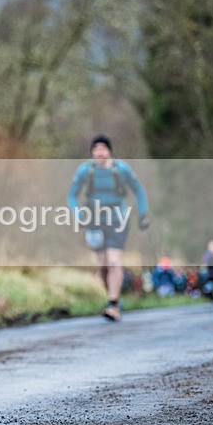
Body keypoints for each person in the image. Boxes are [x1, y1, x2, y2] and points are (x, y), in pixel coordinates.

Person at [68, 135, 148, 321]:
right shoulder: (85, 171)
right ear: (92, 152)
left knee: (114, 260)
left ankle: (113, 304)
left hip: (118, 217)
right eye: (96, 149)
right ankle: (114, 299)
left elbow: (139, 190)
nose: (99, 152)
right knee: (103, 266)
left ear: (109, 151)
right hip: (95, 219)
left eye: (103, 148)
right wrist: (79, 214)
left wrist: (143, 214)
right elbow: (72, 196)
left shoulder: (121, 169)